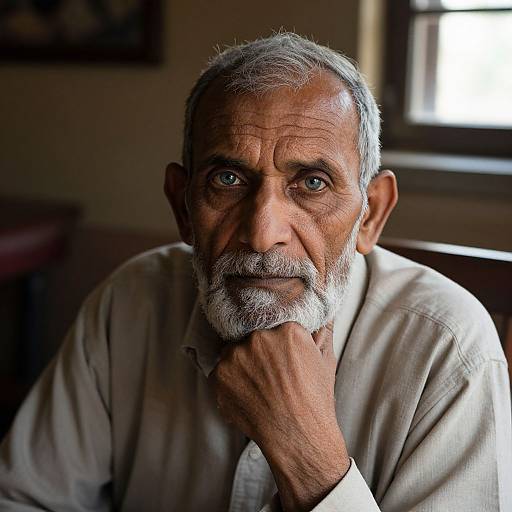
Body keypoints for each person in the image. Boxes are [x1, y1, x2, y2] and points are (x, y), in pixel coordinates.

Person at [0, 32, 511, 512]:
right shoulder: (130, 302)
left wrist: (310, 459)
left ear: (370, 215)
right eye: (227, 178)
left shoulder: (450, 350)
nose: (263, 234)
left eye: (312, 183)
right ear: (182, 206)